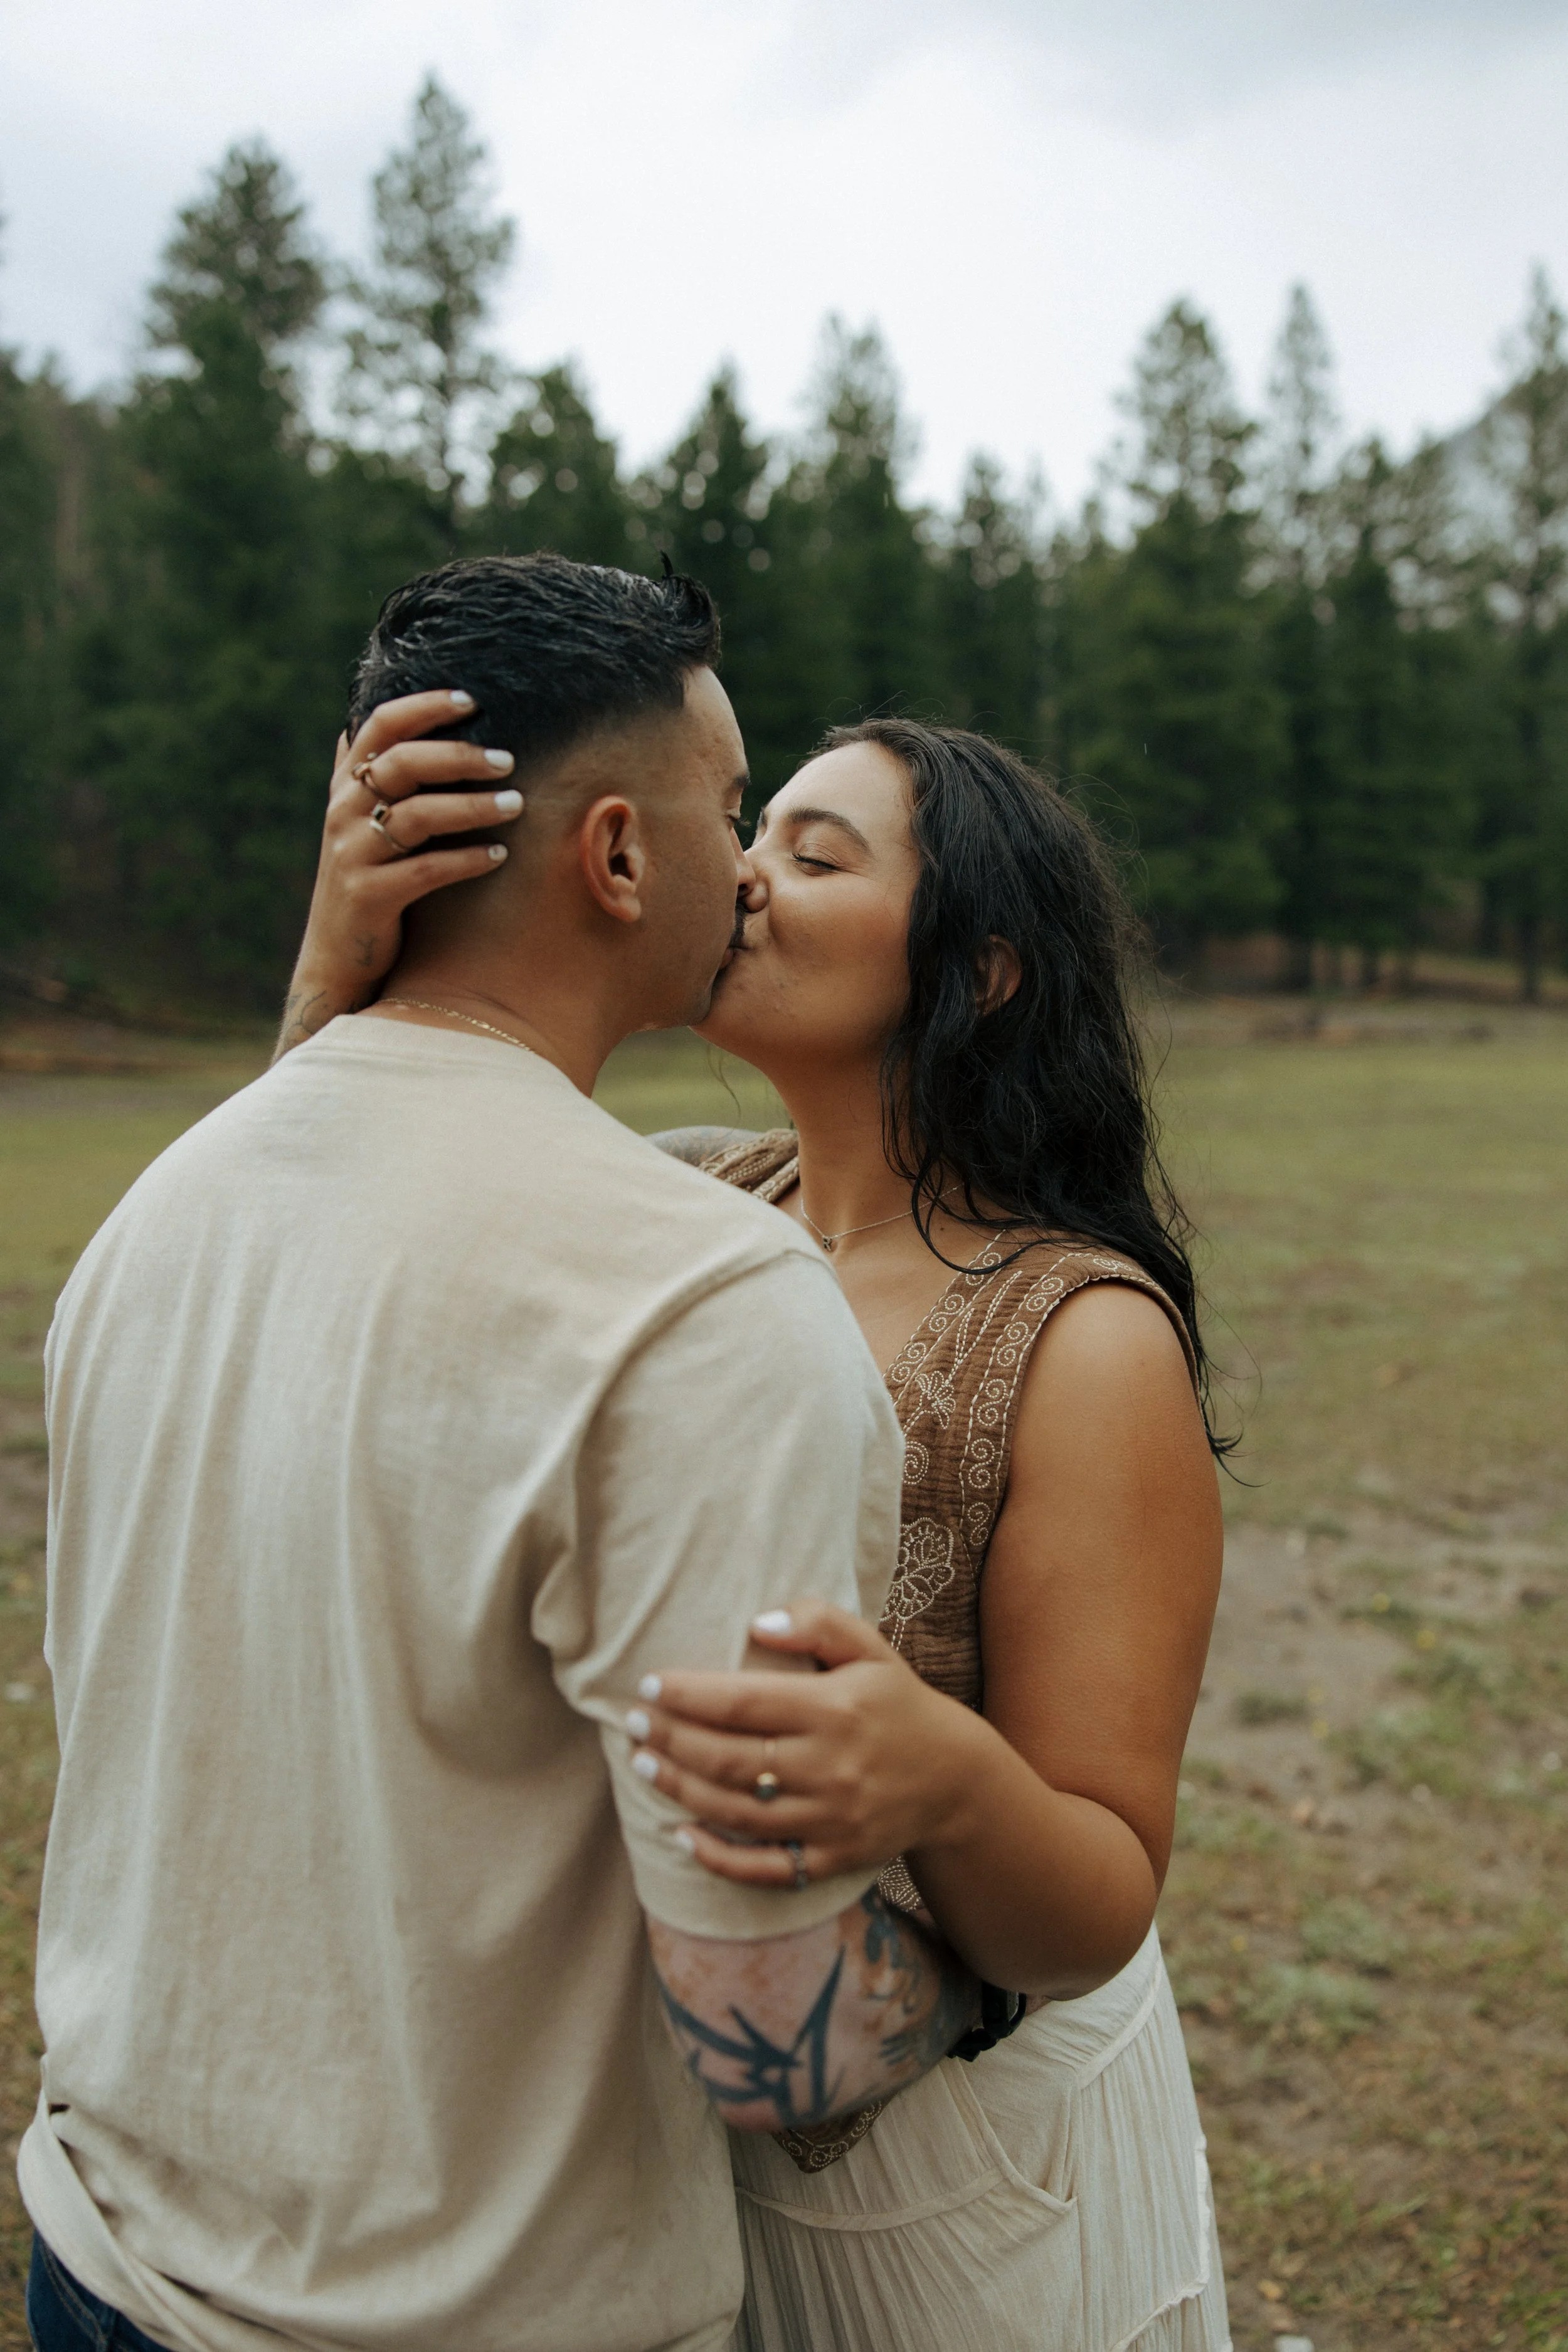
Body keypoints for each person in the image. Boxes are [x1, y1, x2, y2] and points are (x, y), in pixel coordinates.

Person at [21, 556, 980, 2352]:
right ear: (617, 856)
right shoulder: (703, 1306)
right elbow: (766, 2018)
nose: (749, 864)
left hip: (98, 2254)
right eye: (726, 803)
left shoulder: (155, 1220)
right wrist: (1004, 1971)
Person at [280, 690, 1233, 2348]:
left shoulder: (1082, 1346)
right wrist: (334, 976)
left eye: (814, 851)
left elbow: (1094, 1898)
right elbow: (328, 1249)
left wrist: (939, 1771)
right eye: (751, 830)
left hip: (969, 2184)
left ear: (981, 968)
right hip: (678, 2150)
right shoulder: (681, 1204)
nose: (742, 877)